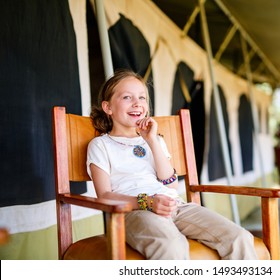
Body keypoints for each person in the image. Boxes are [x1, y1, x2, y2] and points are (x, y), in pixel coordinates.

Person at [86, 69, 258, 260]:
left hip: (176, 206)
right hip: (134, 211)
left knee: (239, 237)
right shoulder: (101, 145)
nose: (137, 103)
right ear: (108, 107)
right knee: (172, 246)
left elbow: (170, 184)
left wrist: (151, 141)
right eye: (127, 97)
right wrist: (147, 202)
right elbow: (104, 195)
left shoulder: (155, 140)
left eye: (142, 98)